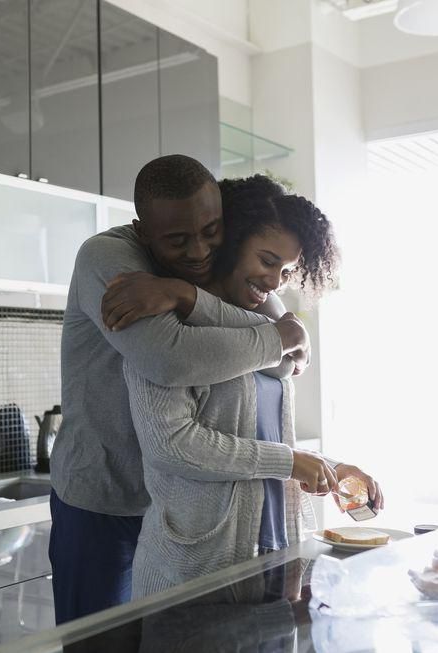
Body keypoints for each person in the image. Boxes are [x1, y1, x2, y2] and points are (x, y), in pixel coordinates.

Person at [50, 156, 330, 624]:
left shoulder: (212, 269)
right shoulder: (109, 260)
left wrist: (285, 335)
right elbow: (170, 359)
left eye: (211, 231)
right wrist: (281, 337)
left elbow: (285, 362)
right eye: (178, 240)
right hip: (104, 493)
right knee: (100, 645)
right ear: (144, 232)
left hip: (173, 505)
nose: (199, 252)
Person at [110, 175, 383, 597]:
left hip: (275, 554)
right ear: (233, 241)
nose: (276, 281)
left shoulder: (267, 327)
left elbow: (264, 437)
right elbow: (171, 445)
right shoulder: (169, 326)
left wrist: (329, 468)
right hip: (194, 567)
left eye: (287, 270)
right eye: (268, 260)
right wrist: (290, 462)